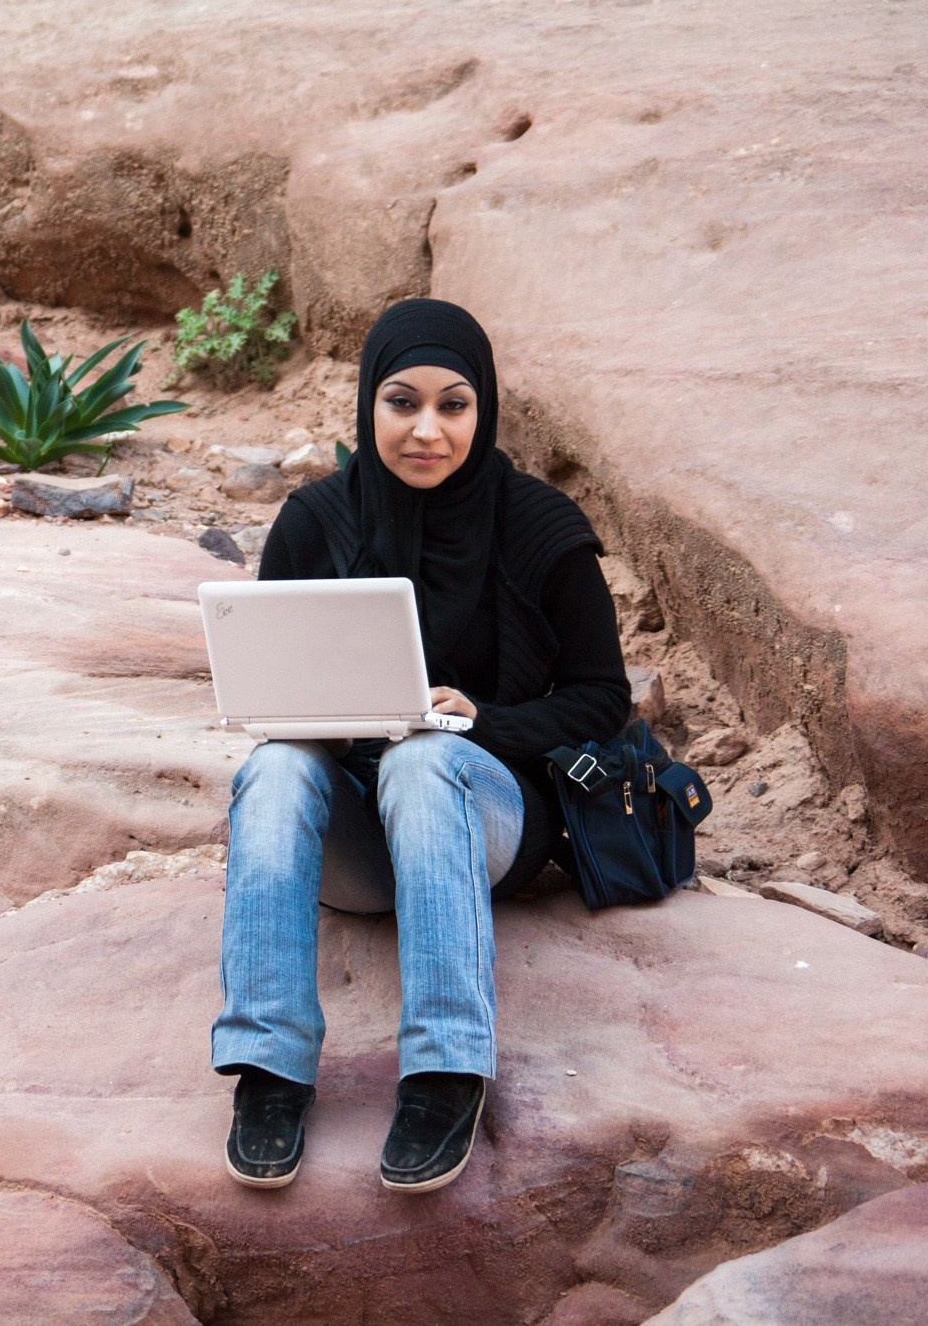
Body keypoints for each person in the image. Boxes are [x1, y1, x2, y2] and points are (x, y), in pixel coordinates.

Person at [211, 298, 630, 1192]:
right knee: (277, 766)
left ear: (484, 411)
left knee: (423, 755)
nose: (427, 430)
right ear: (369, 405)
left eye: (454, 405)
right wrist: (326, 715)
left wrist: (475, 720)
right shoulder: (315, 523)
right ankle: (270, 1066)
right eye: (402, 403)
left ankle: (446, 1067)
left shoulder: (541, 527)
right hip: (359, 846)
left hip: (487, 822)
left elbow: (605, 699)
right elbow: (275, 692)